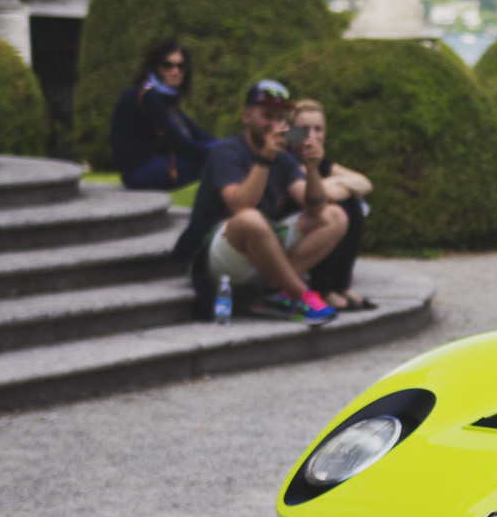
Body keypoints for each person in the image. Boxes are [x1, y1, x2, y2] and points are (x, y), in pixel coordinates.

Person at [171, 81, 348, 326]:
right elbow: (240, 206)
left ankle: (272, 291)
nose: (274, 125)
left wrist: (313, 168)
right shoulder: (227, 151)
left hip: (262, 246)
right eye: (267, 116)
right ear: (246, 116)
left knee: (334, 215)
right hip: (220, 251)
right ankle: (300, 294)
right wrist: (265, 158)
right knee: (250, 218)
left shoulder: (284, 158)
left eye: (280, 118)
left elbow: (314, 207)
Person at [289, 99, 377, 311]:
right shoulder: (287, 160)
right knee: (339, 209)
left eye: (318, 129)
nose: (312, 136)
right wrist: (337, 187)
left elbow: (365, 183)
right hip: (295, 228)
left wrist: (336, 186)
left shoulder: (321, 162)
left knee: (351, 204)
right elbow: (319, 196)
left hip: (314, 220)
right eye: (303, 130)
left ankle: (340, 286)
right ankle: (323, 289)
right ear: (290, 133)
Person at [110, 41, 217, 191]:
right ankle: (214, 211)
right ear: (156, 67)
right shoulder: (148, 95)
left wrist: (227, 147)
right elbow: (180, 140)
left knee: (220, 151)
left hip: (152, 164)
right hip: (138, 172)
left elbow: (196, 133)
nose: (175, 71)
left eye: (181, 66)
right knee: (217, 160)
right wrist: (222, 153)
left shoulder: (164, 97)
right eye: (167, 66)